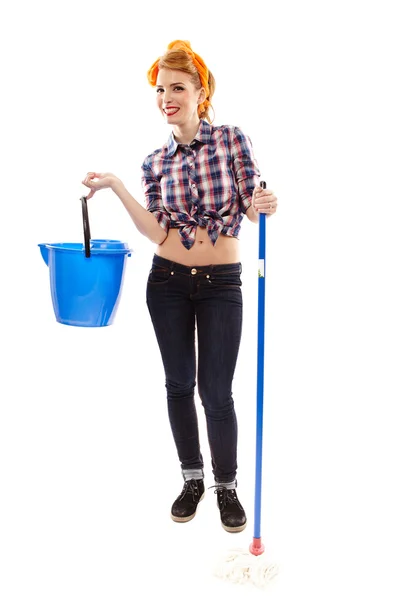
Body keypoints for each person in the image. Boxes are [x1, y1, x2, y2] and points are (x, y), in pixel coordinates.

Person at [82, 40, 278, 533]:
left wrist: (264, 202)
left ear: (200, 92)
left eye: (177, 87)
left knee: (216, 390)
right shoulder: (154, 162)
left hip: (221, 283)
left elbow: (252, 209)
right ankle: (192, 479)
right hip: (167, 280)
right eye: (160, 88)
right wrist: (118, 186)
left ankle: (226, 486)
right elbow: (158, 232)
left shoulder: (232, 140)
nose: (166, 96)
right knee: (178, 385)